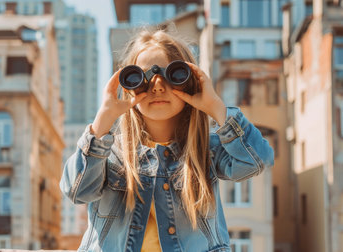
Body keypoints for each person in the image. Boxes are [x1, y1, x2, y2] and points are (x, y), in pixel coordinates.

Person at [60, 28, 274, 252]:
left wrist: (216, 108)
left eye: (173, 75)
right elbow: (76, 191)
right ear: (129, 85)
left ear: (189, 82)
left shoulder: (204, 150)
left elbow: (259, 160)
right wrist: (102, 122)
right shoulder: (112, 153)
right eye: (143, 77)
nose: (158, 85)